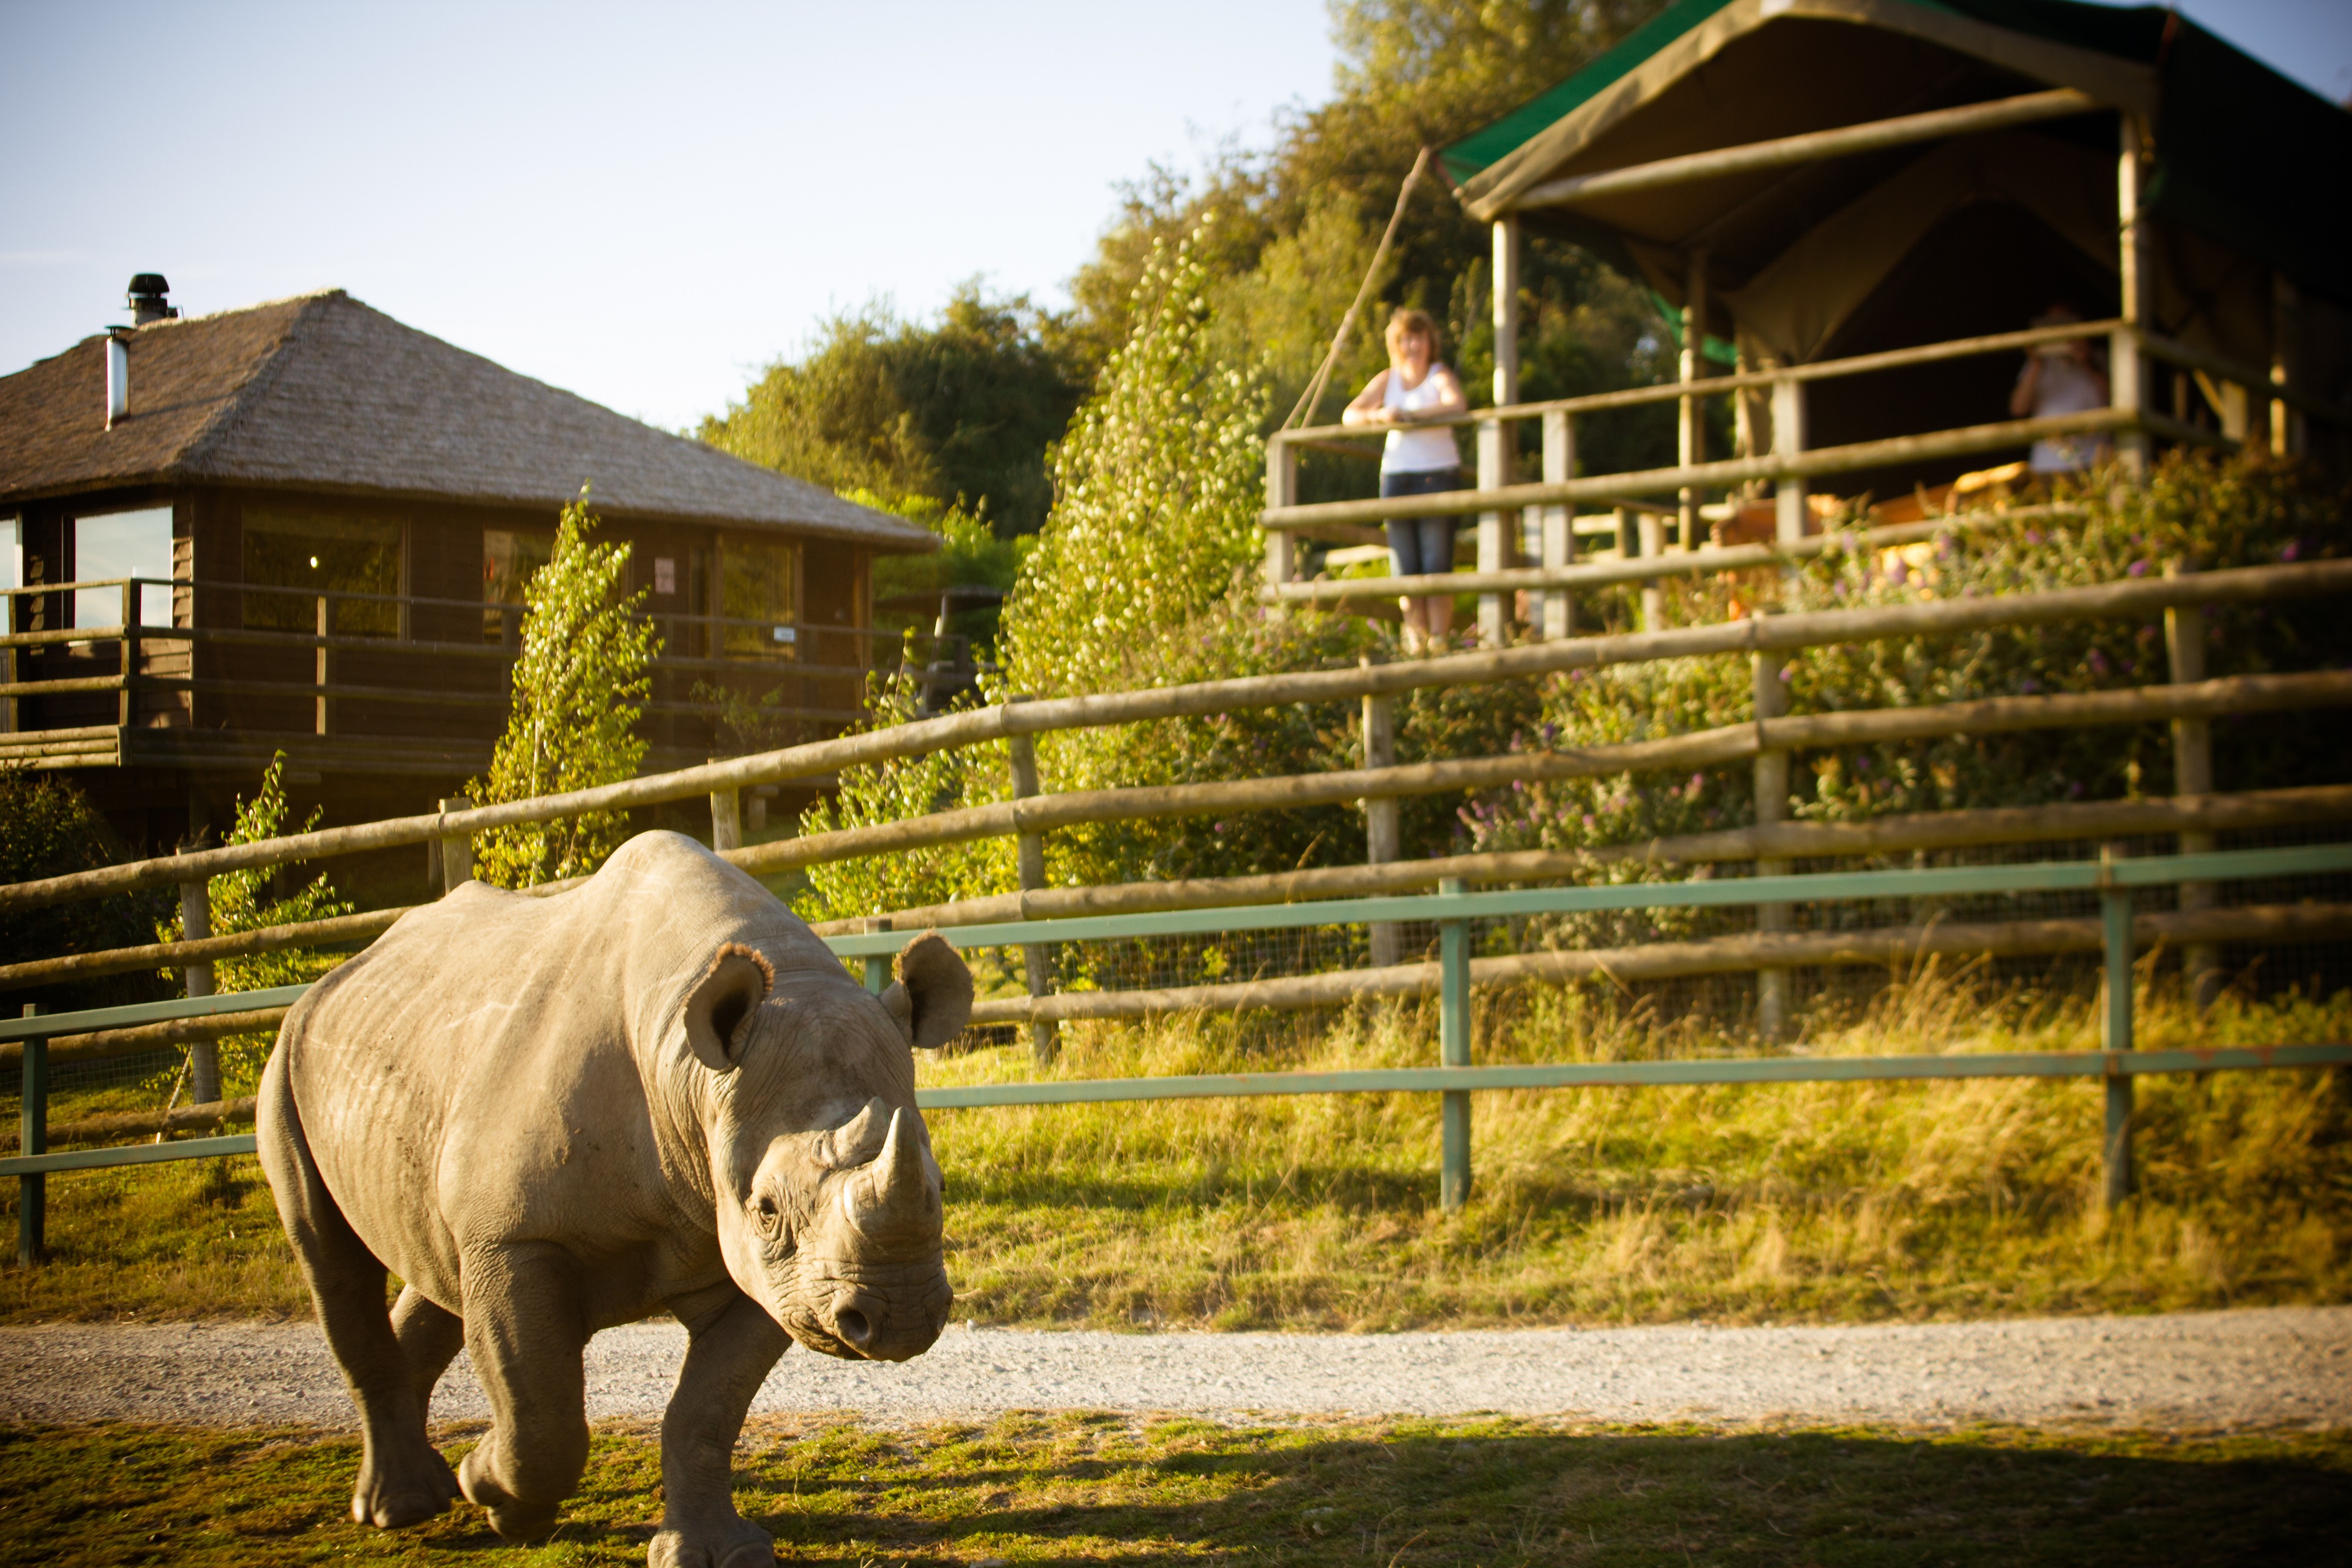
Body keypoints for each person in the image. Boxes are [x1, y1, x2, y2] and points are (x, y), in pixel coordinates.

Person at [1344, 308, 1468, 652]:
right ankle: (1416, 642)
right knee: (1404, 564)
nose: (1413, 344)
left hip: (1437, 474)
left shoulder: (1438, 374)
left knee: (1436, 560)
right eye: (1406, 338)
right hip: (1396, 477)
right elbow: (1350, 414)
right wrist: (1379, 415)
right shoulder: (1389, 378)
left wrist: (1412, 416)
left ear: (1430, 342)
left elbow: (1456, 404)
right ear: (1396, 344)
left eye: (1419, 337)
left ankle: (1439, 641)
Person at [2010, 302, 2111, 475]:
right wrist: (2036, 363)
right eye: (2052, 323)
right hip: (2047, 465)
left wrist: (2087, 362)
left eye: (2064, 322)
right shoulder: (2037, 365)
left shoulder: (2099, 359)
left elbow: (2116, 400)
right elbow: (2018, 409)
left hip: (2095, 462)